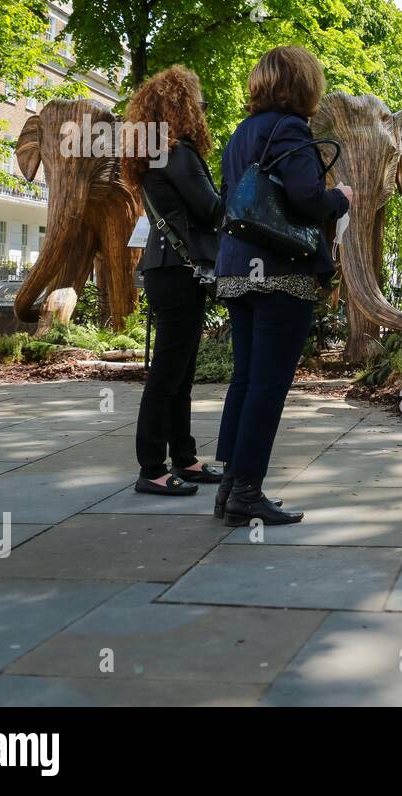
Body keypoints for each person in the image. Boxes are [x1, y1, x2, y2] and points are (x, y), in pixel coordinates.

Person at [214, 46, 352, 525]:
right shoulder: (290, 128)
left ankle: (230, 486)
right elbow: (307, 198)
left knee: (246, 379)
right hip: (280, 272)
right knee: (268, 386)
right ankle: (246, 494)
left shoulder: (240, 133)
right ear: (304, 85)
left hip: (236, 270)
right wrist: (341, 198)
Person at [124, 65, 224, 497]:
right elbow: (212, 211)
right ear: (184, 108)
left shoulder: (152, 156)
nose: (203, 109)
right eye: (199, 101)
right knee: (169, 374)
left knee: (178, 372)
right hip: (181, 272)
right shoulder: (179, 154)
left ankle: (182, 457)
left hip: (166, 271)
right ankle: (152, 467)